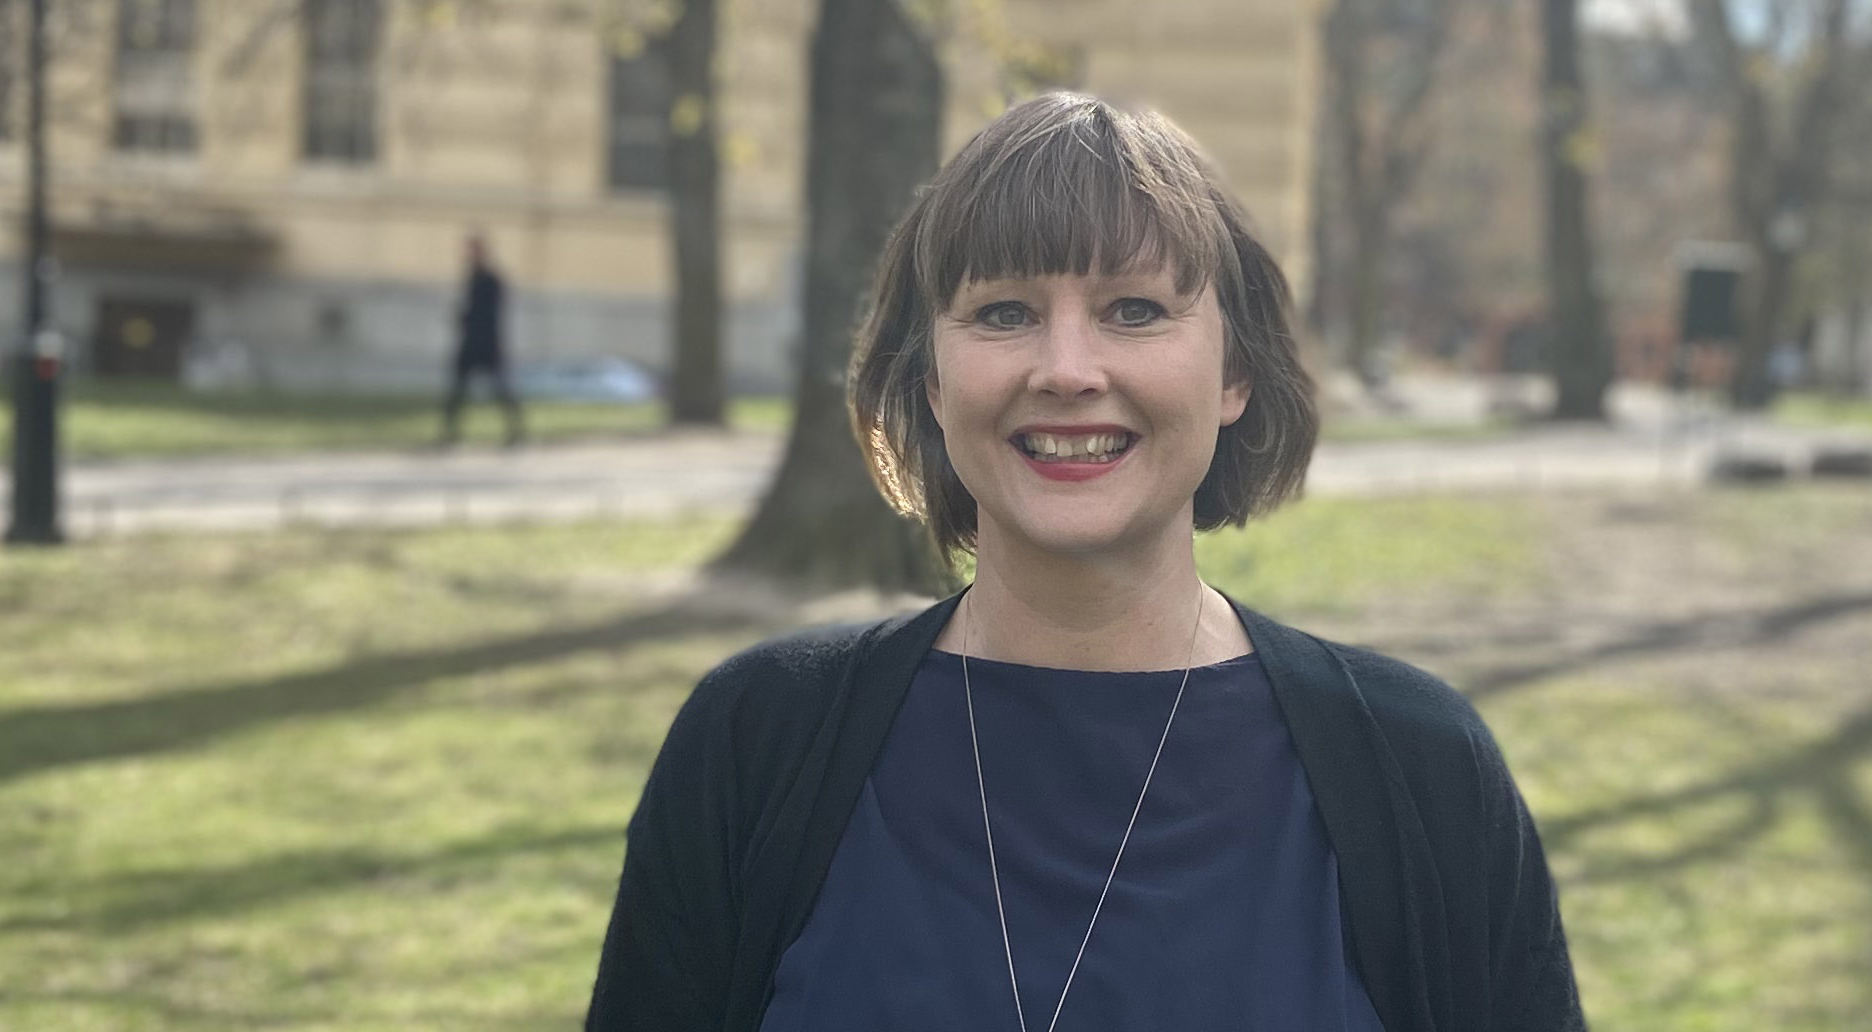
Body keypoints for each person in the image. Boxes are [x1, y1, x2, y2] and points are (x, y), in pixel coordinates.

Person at [585, 94, 1583, 1032]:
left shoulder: (1416, 769)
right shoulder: (755, 745)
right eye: (1003, 312)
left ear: (1233, 372)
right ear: (931, 380)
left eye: (1133, 310)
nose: (1065, 369)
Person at [441, 233, 525, 445]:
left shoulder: (490, 279)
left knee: (501, 390)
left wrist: (466, 318)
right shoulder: (472, 277)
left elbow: (487, 313)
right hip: (470, 342)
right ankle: (450, 434)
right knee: (457, 391)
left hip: (487, 343)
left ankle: (516, 433)